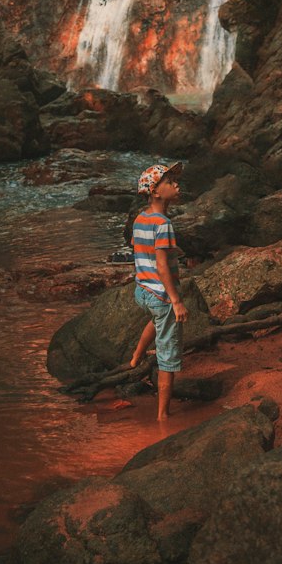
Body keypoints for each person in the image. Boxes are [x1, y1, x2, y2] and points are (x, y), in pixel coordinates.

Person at [127, 161, 188, 421]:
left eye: (175, 180)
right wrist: (176, 301)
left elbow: (137, 246)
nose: (176, 184)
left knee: (157, 320)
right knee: (167, 355)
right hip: (161, 296)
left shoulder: (141, 218)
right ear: (155, 191)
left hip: (142, 290)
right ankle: (163, 415)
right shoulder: (163, 224)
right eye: (169, 181)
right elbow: (162, 266)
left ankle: (136, 356)